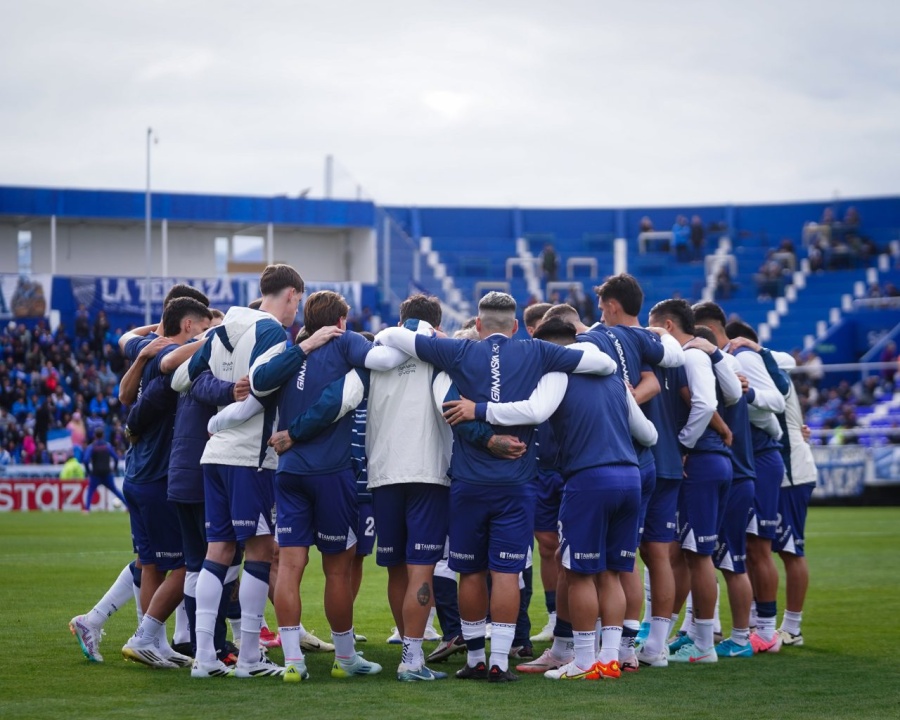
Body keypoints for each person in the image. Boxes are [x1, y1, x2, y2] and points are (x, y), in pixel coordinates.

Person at [378, 291, 617, 682]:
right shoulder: (537, 351)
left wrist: (424, 335)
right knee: (507, 573)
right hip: (517, 481)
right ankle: (499, 661)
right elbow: (604, 363)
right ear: (517, 326)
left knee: (469, 572)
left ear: (477, 324)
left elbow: (392, 336)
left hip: (469, 482)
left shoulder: (456, 351)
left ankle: (473, 659)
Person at [446, 316, 657, 680]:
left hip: (589, 480)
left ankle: (586, 660)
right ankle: (611, 658)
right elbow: (649, 434)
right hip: (630, 477)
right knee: (613, 572)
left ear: (548, 349)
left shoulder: (556, 374)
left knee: (578, 573)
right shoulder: (615, 381)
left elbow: (535, 412)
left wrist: (478, 410)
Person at [172, 264, 335, 679]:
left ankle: (205, 657)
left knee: (218, 552)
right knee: (260, 552)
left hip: (215, 458)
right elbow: (263, 384)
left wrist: (221, 403)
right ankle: (247, 656)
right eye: (296, 303)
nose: (295, 312)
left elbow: (180, 379)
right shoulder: (270, 332)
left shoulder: (222, 329)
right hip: (249, 458)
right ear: (292, 295)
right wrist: (306, 346)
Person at [250, 290, 409, 682]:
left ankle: (292, 662)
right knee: (338, 569)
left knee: (289, 566)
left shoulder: (291, 349)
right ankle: (344, 658)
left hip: (288, 473)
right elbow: (377, 365)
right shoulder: (346, 341)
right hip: (331, 471)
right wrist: (409, 336)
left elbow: (257, 384)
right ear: (340, 321)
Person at [120, 297, 214, 669]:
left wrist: (148, 336)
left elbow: (123, 341)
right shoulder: (170, 355)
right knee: (186, 564)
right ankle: (145, 636)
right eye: (204, 326)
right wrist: (218, 338)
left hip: (137, 472)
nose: (207, 333)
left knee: (149, 564)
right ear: (189, 325)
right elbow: (166, 372)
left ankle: (154, 643)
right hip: (159, 474)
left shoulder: (147, 345)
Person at [647, 299, 740, 664]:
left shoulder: (690, 356)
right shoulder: (701, 355)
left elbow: (704, 404)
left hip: (700, 463)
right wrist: (717, 355)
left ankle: (703, 644)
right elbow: (731, 395)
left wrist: (683, 444)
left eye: (654, 328)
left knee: (698, 556)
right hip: (711, 461)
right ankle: (680, 636)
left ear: (667, 325)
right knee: (687, 554)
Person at [725, 320, 787, 654]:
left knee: (759, 547)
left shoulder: (744, 357)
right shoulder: (725, 356)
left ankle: (767, 631)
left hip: (761, 459)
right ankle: (752, 625)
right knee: (745, 545)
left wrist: (746, 390)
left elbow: (778, 400)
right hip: (751, 460)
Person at [82, 427, 125, 513]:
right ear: (103, 435)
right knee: (116, 491)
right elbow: (116, 458)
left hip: (95, 473)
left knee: (91, 491)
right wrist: (114, 469)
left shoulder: (92, 447)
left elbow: (86, 460)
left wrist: (88, 471)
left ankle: (87, 510)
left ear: (94, 436)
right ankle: (128, 506)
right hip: (107, 473)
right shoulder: (107, 446)